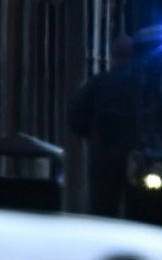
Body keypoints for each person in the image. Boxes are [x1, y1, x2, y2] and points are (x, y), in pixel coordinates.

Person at [68, 35, 137, 217]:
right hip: (137, 155)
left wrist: (91, 137)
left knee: (103, 206)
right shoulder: (142, 85)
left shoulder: (98, 83)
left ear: (113, 56)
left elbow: (76, 115)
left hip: (103, 153)